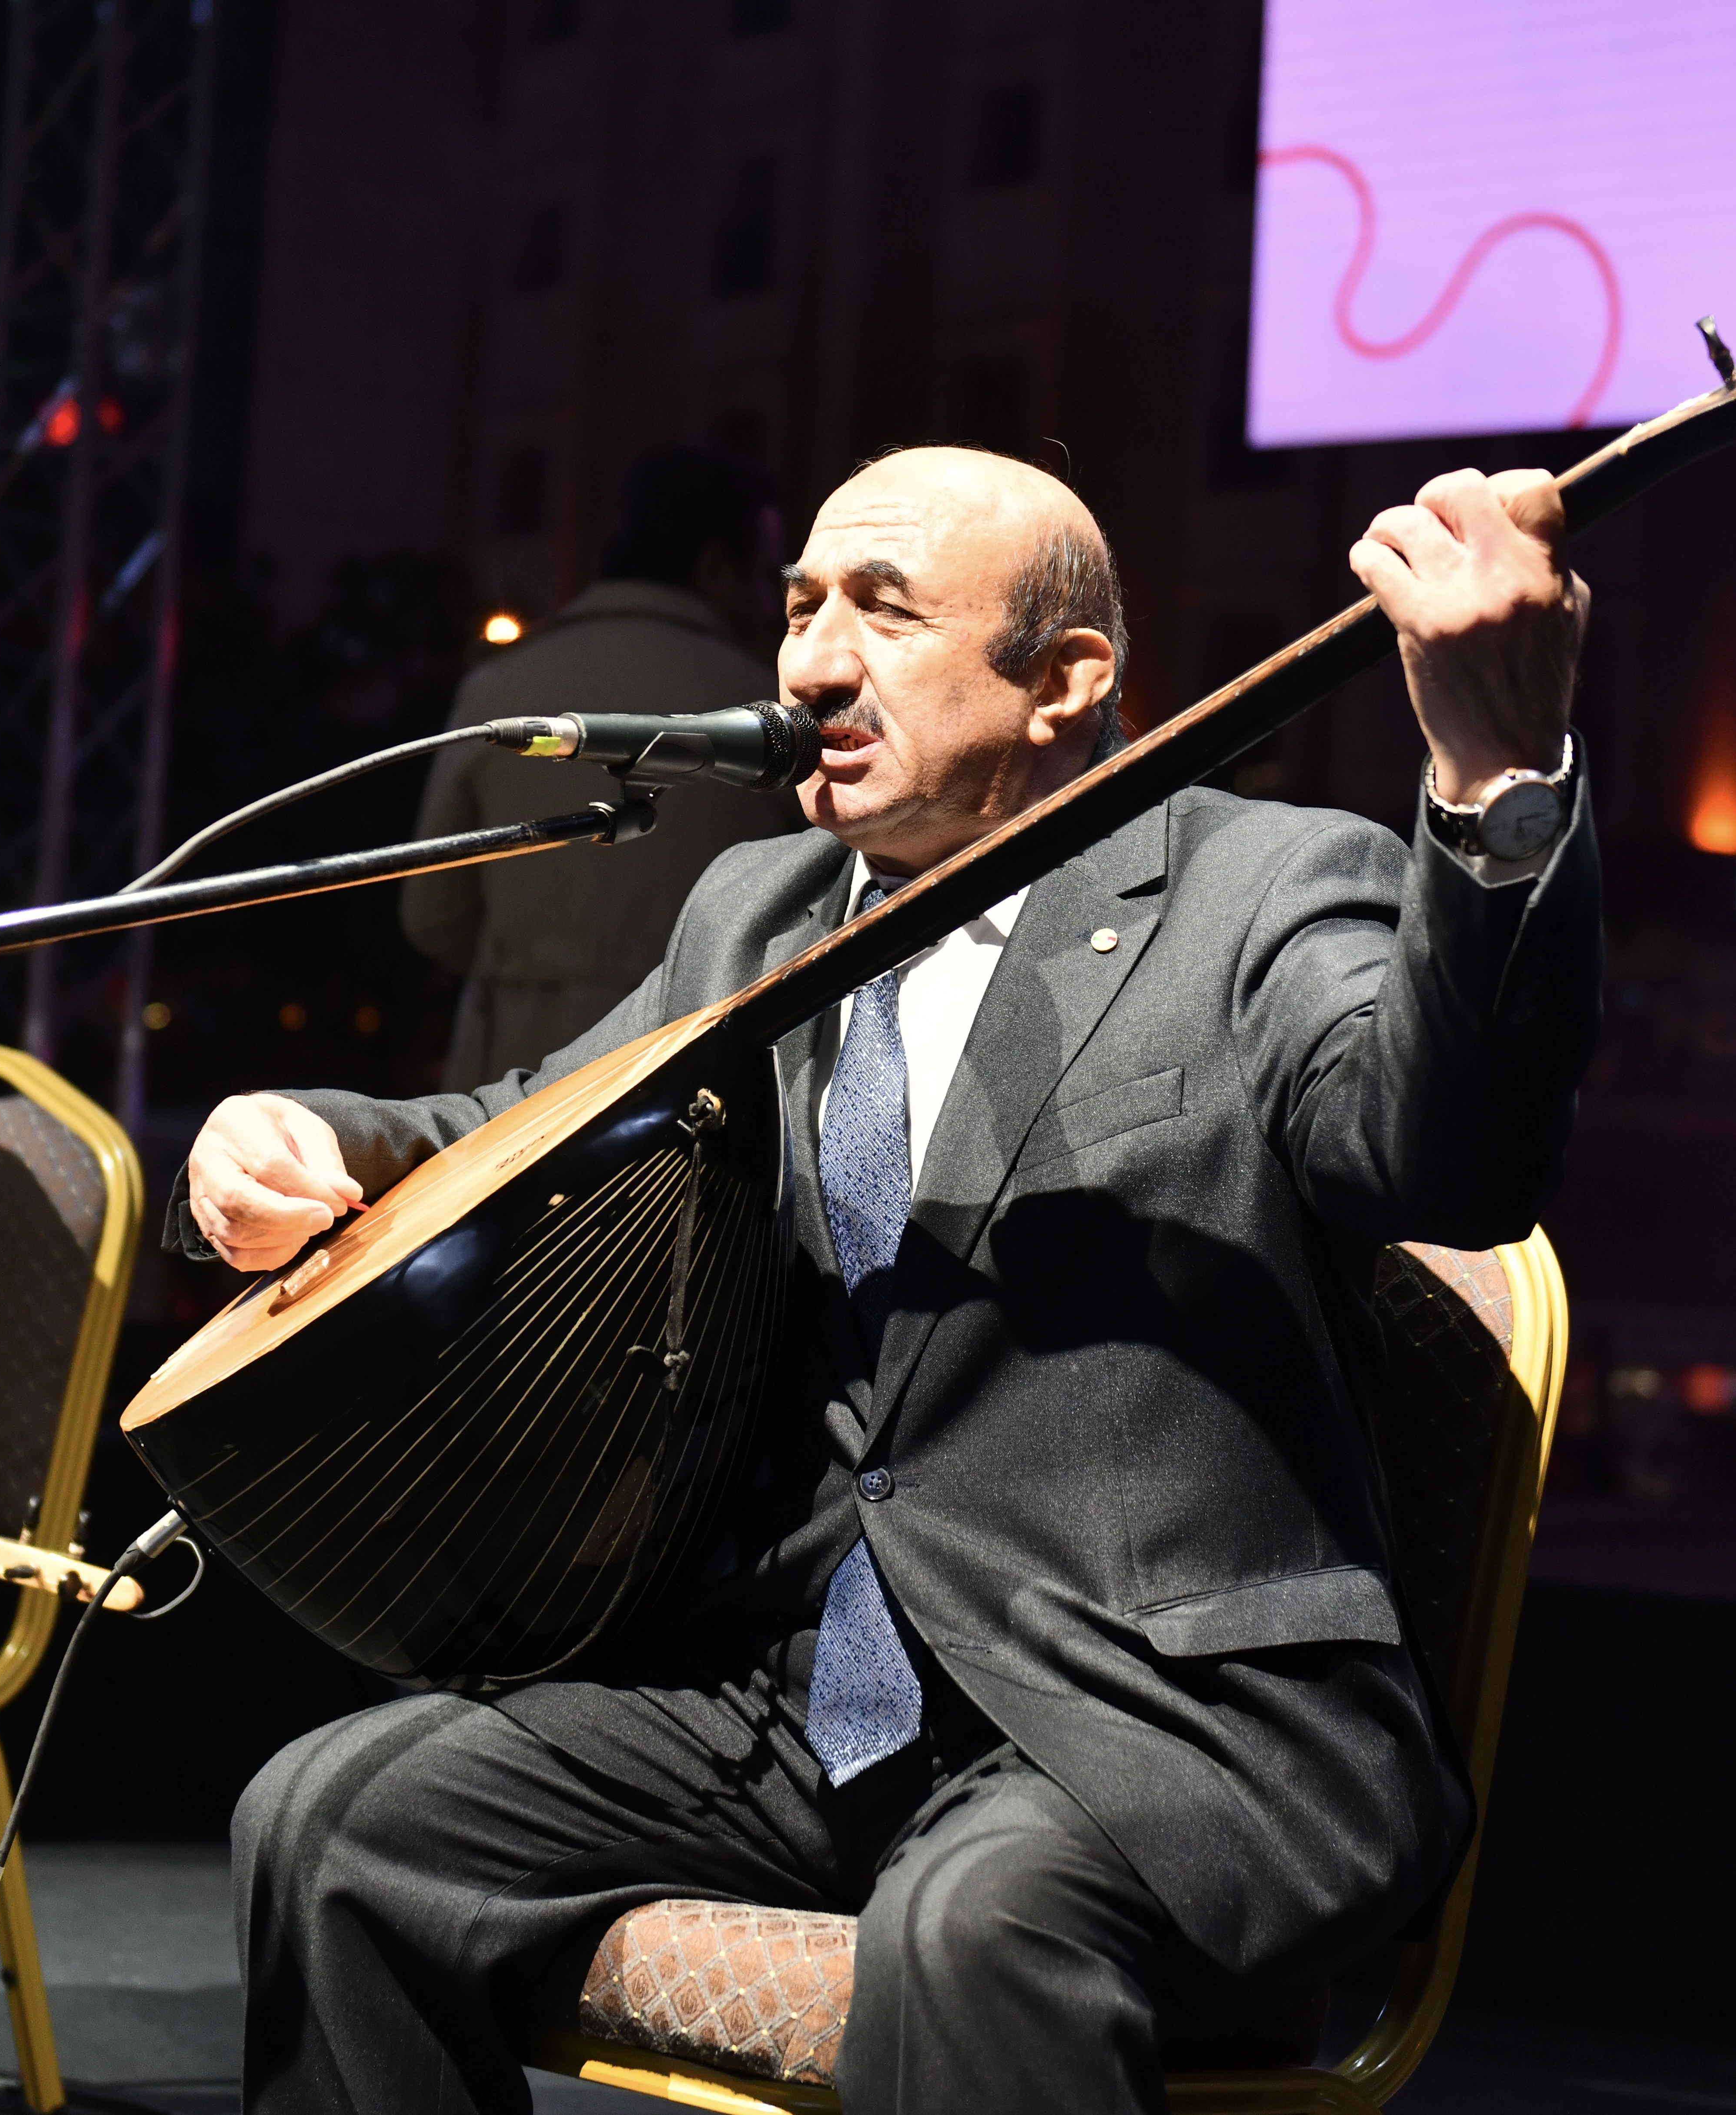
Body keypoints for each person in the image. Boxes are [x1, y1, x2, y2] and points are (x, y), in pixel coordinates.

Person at [178, 447, 1600, 2113]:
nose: (809, 659)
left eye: (883, 608)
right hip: (787, 1705)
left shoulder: (1256, 887)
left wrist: (1498, 781)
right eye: (797, 607)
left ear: (1067, 681)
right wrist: (310, 1140)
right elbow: (512, 1129)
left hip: (1152, 1713)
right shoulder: (758, 916)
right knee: (331, 1820)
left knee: (973, 1927)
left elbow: (1453, 1163)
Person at [404, 446, 802, 1087]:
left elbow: (431, 912)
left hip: (504, 1069)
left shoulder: (497, 688)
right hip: (692, 1074)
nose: (770, 607)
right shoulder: (768, 717)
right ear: (715, 567)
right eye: (764, 577)